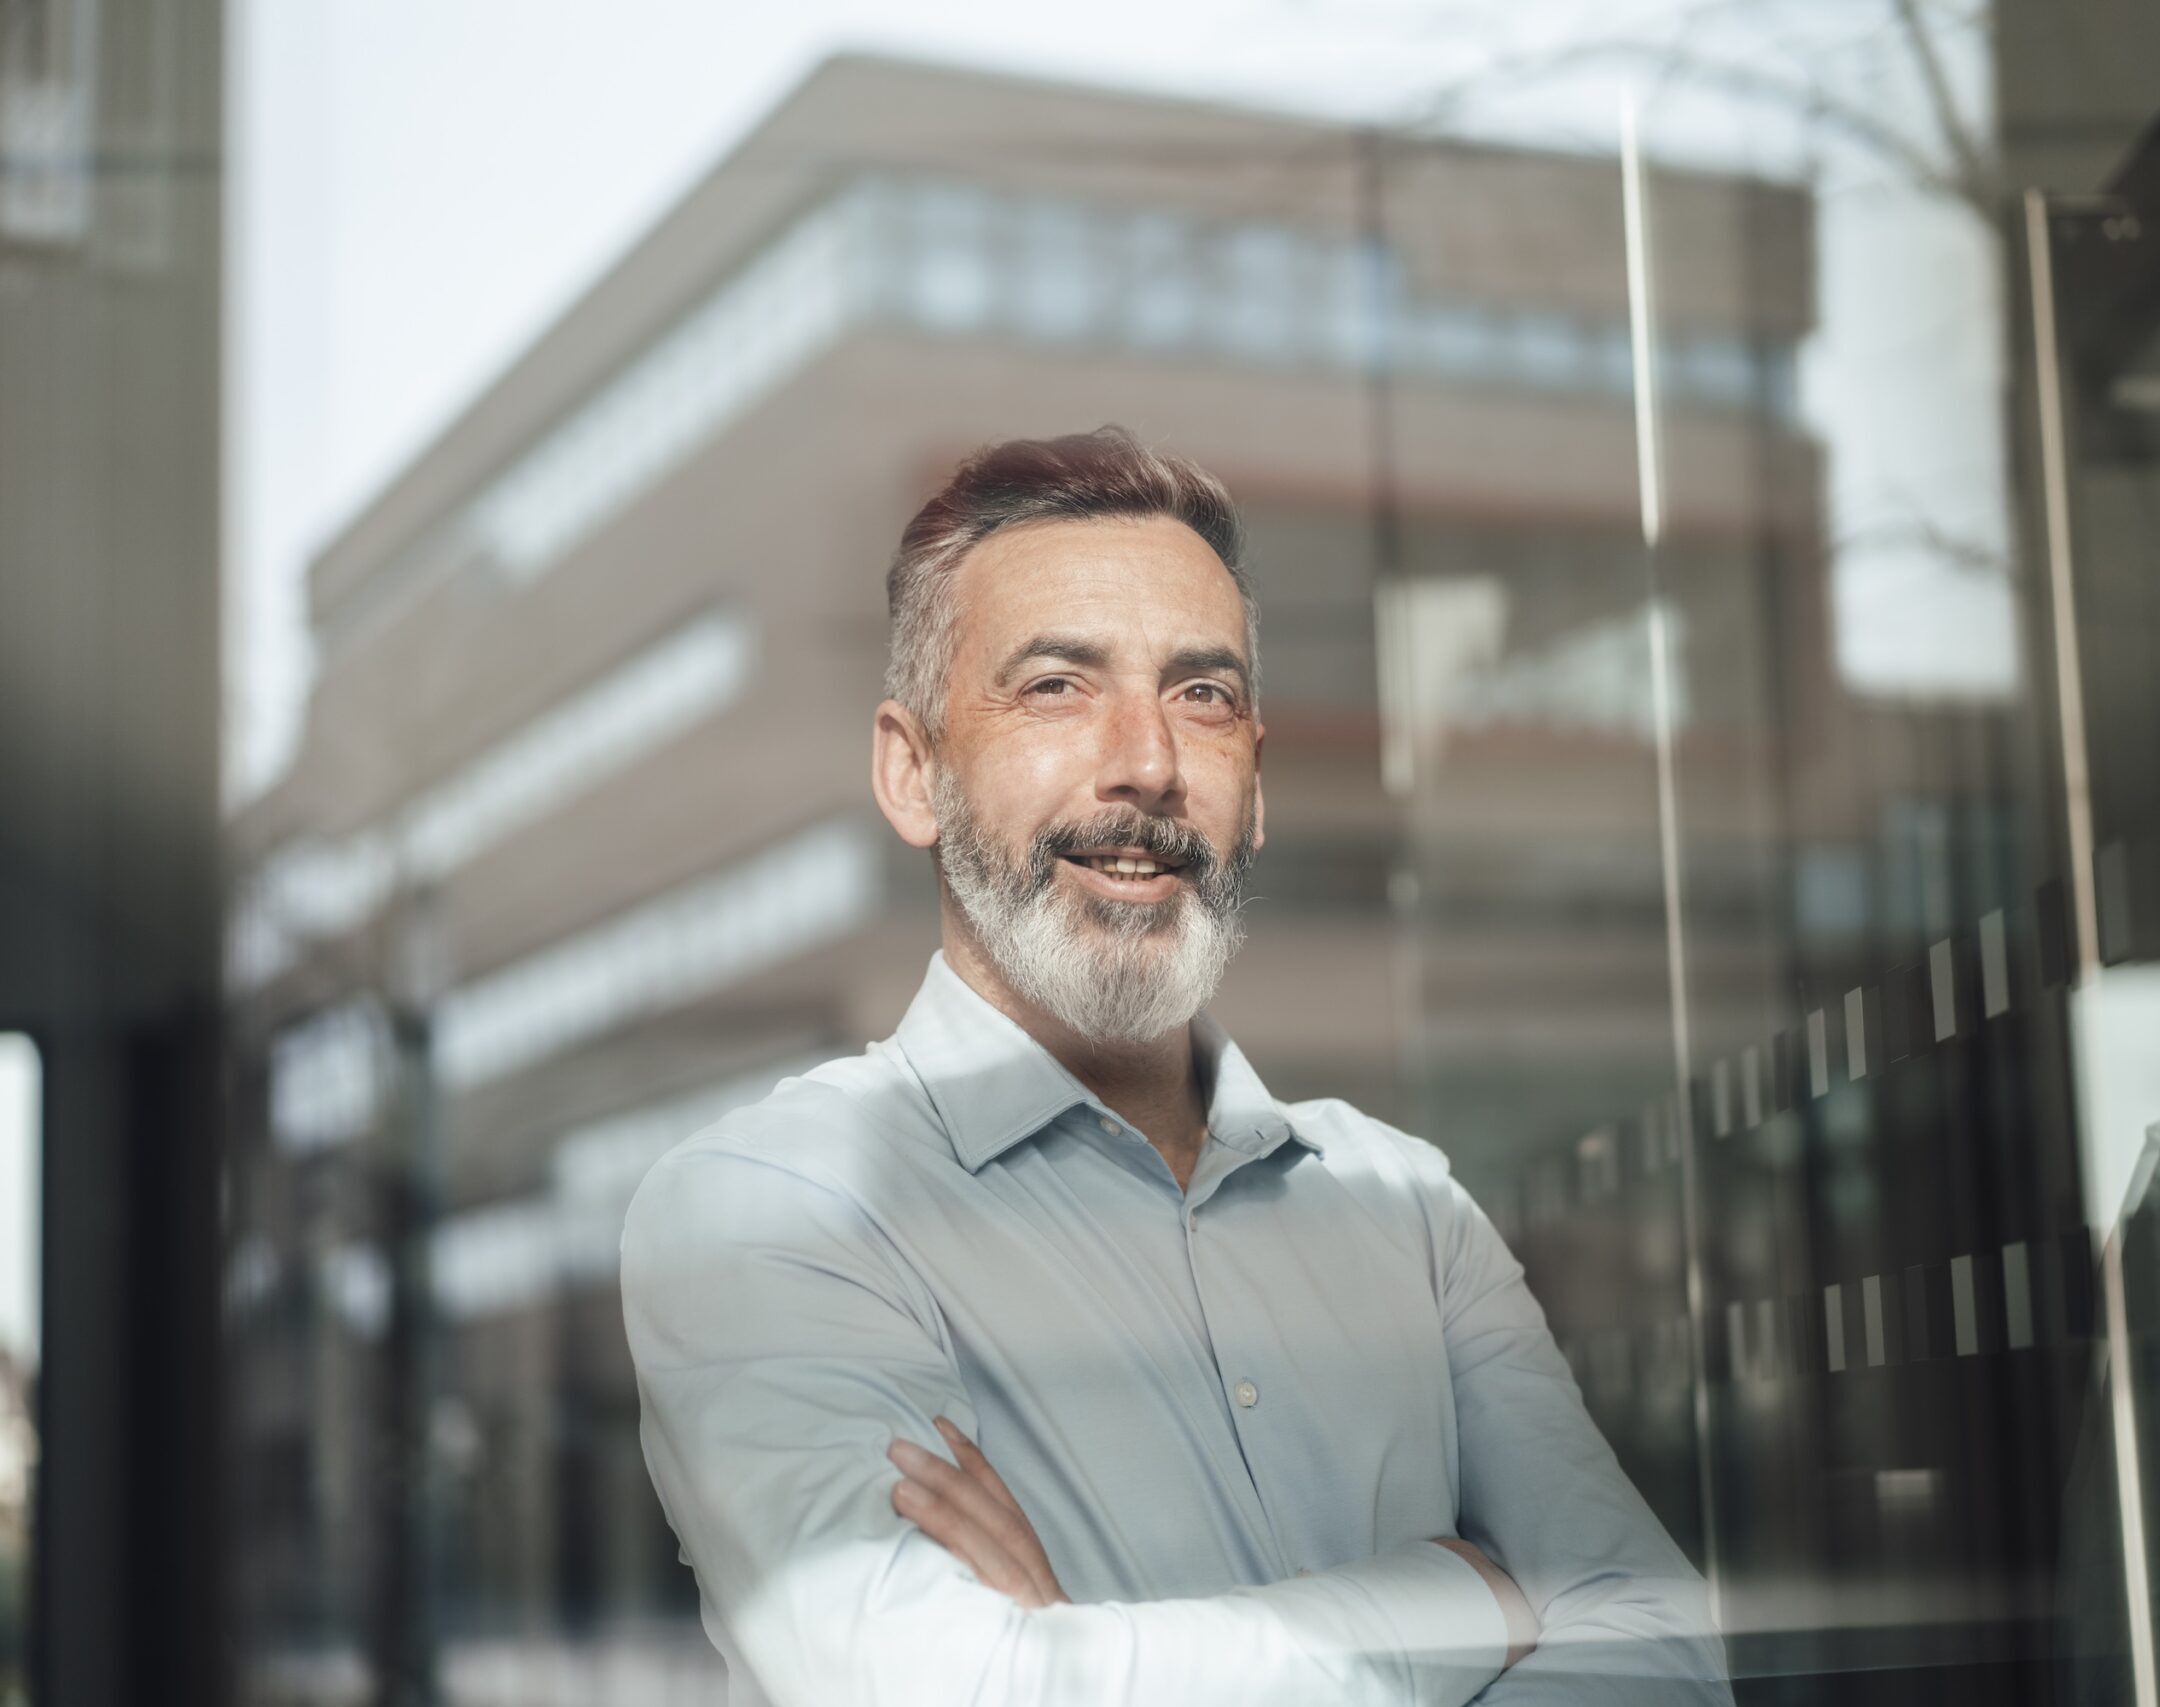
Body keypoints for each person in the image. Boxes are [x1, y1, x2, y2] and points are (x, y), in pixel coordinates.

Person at [621, 427, 1731, 1705]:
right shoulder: (776, 1204)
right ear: (912, 770)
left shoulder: (1408, 1208)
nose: (1147, 762)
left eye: (1201, 695)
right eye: (1056, 686)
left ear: (1254, 785)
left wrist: (1076, 1654)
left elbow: (1669, 1663)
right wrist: (1462, 1591)